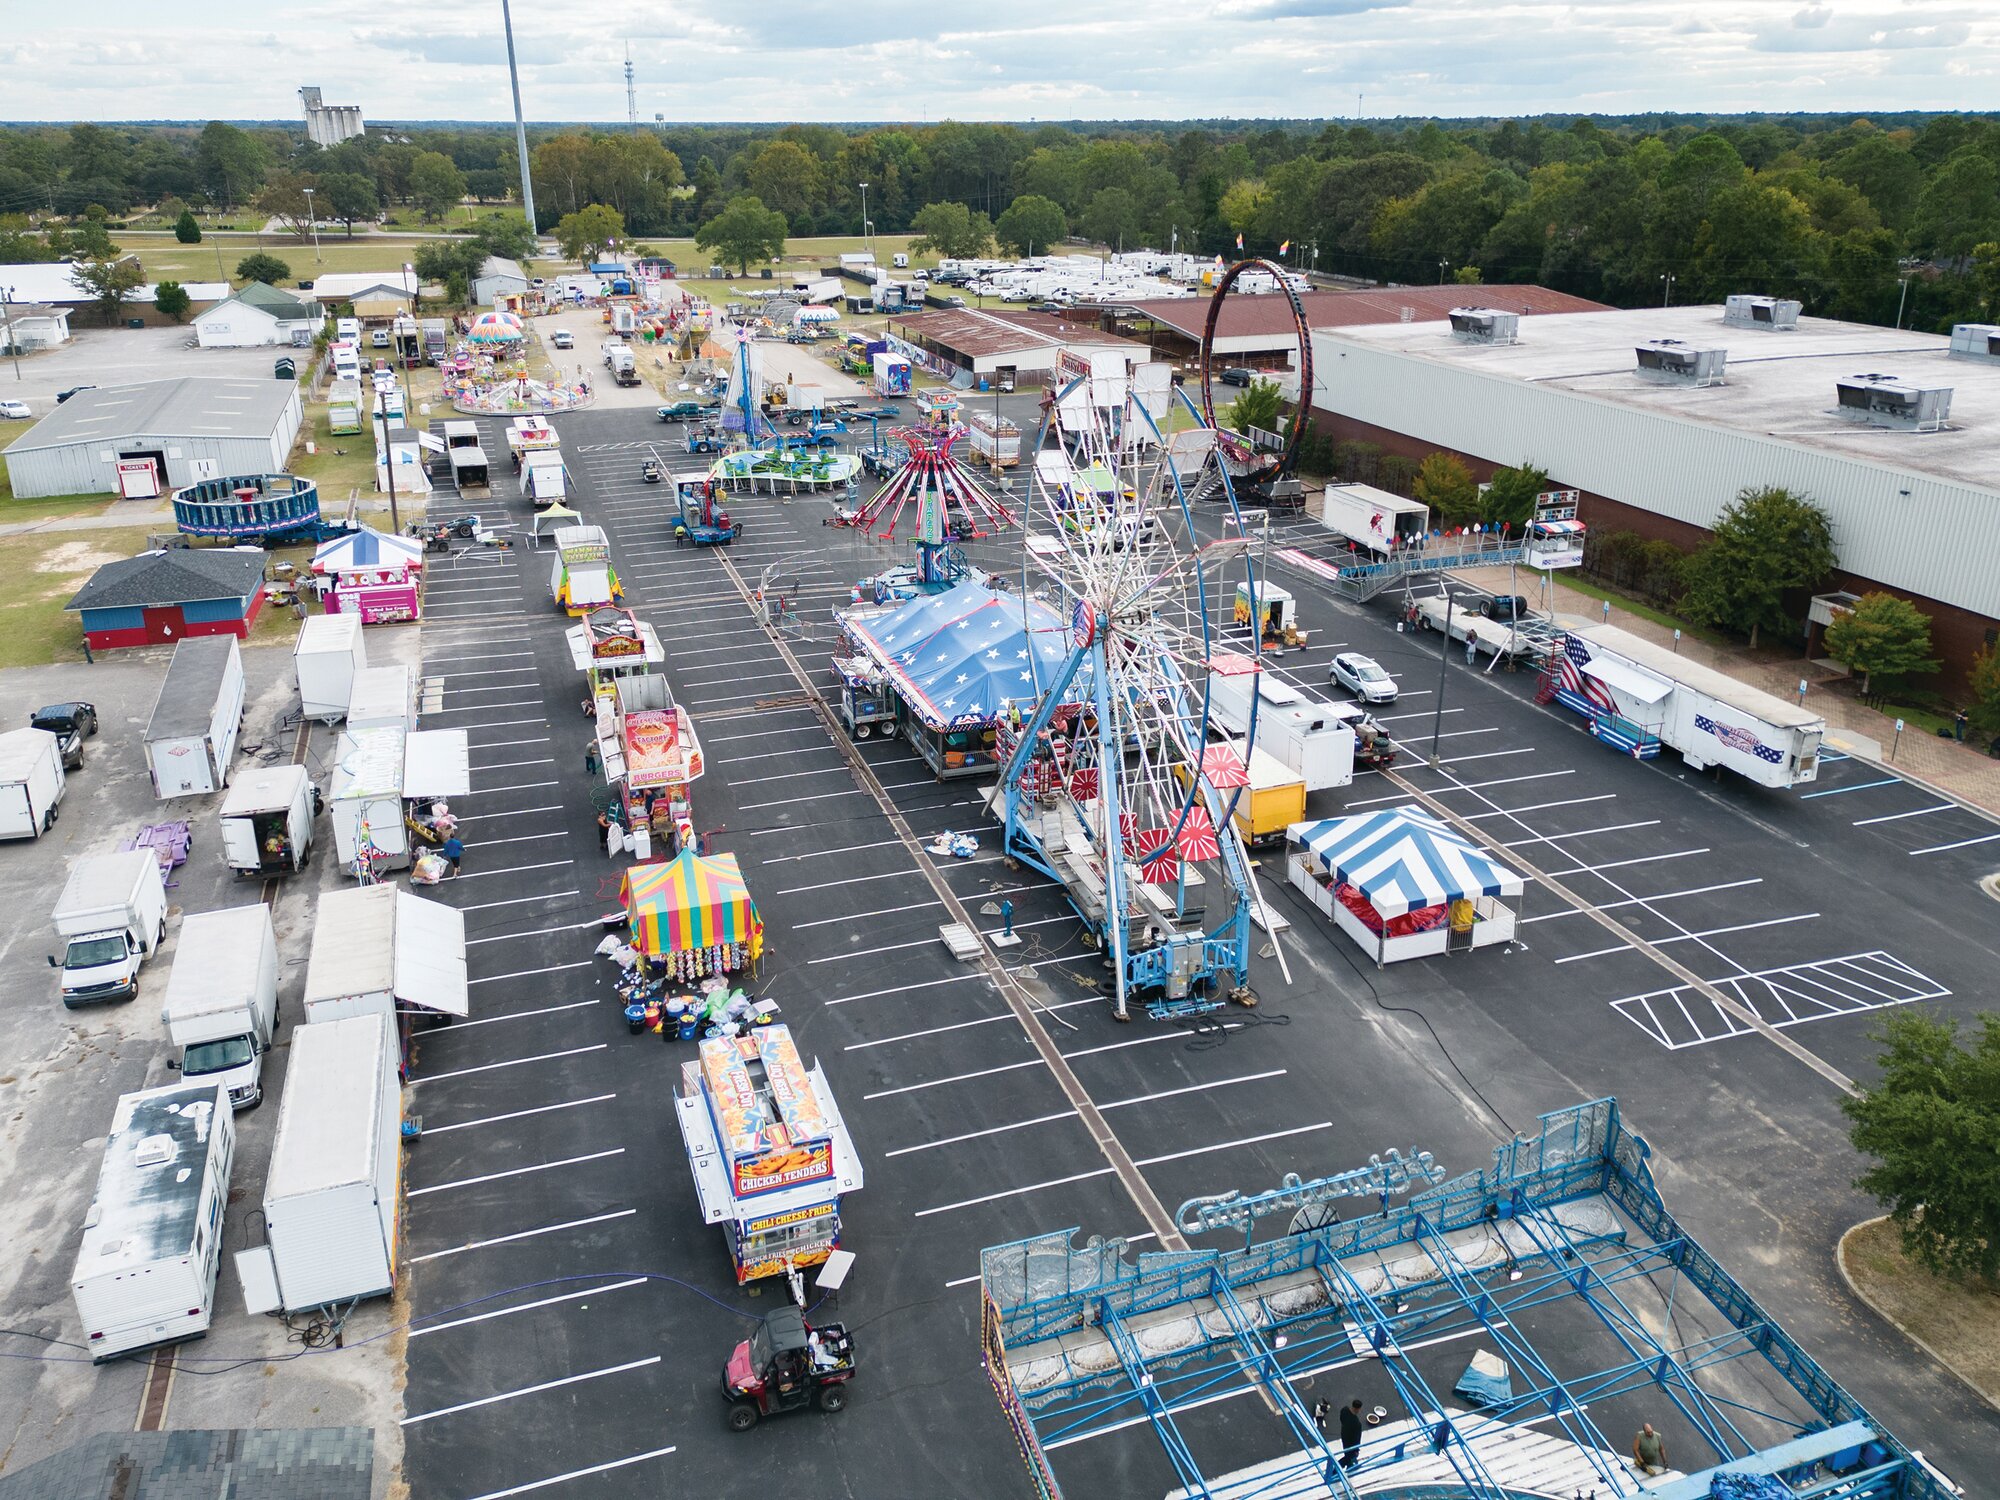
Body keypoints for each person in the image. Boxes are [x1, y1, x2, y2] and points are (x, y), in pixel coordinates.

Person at [1339, 1399, 1364, 1470]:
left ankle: (1347, 1466)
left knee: (1347, 1453)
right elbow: (1357, 1438)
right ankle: (1336, 1468)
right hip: (1351, 1443)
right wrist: (1356, 1450)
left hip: (1344, 1436)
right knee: (1349, 1456)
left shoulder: (1344, 1410)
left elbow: (1341, 1419)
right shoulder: (1357, 1423)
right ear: (1358, 1409)